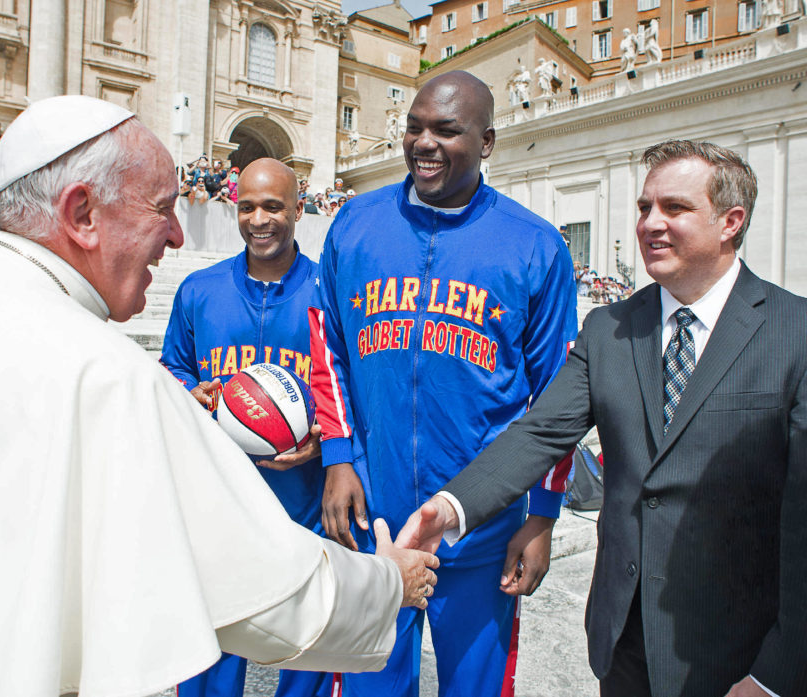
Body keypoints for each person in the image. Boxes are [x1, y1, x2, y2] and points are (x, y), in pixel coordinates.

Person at [0, 95, 439, 697]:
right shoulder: (103, 372)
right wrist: (390, 583)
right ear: (81, 213)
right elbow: (263, 593)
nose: (180, 235)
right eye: (161, 208)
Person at [397, 140, 807, 697]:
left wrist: (776, 674)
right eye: (644, 208)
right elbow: (540, 432)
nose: (650, 224)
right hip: (624, 640)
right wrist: (450, 507)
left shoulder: (795, 334)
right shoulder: (609, 330)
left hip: (740, 653)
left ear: (730, 221)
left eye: (674, 208)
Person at [309, 70, 576, 697]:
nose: (423, 143)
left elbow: (558, 401)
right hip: (376, 519)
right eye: (415, 126)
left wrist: (540, 517)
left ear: (486, 142)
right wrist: (340, 457)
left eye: (446, 130)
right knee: (371, 684)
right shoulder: (356, 224)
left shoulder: (534, 246)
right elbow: (328, 350)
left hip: (483, 527)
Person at [163, 157, 335, 697]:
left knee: (305, 652)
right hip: (219, 503)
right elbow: (173, 368)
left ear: (299, 209)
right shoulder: (199, 290)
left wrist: (323, 437)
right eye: (247, 207)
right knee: (209, 656)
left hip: (303, 505)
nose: (259, 219)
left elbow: (352, 385)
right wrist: (189, 393)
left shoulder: (330, 292)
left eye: (273, 207)